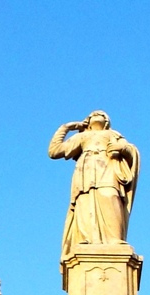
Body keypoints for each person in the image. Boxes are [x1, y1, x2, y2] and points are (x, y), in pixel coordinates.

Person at [48, 112, 140, 261]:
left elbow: (131, 152)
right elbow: (54, 151)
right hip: (86, 171)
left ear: (107, 122)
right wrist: (67, 127)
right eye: (93, 115)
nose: (97, 114)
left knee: (111, 196)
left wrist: (121, 148)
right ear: (88, 123)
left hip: (108, 169)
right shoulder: (82, 137)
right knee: (84, 202)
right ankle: (87, 238)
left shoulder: (113, 134)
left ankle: (114, 238)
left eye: (102, 114)